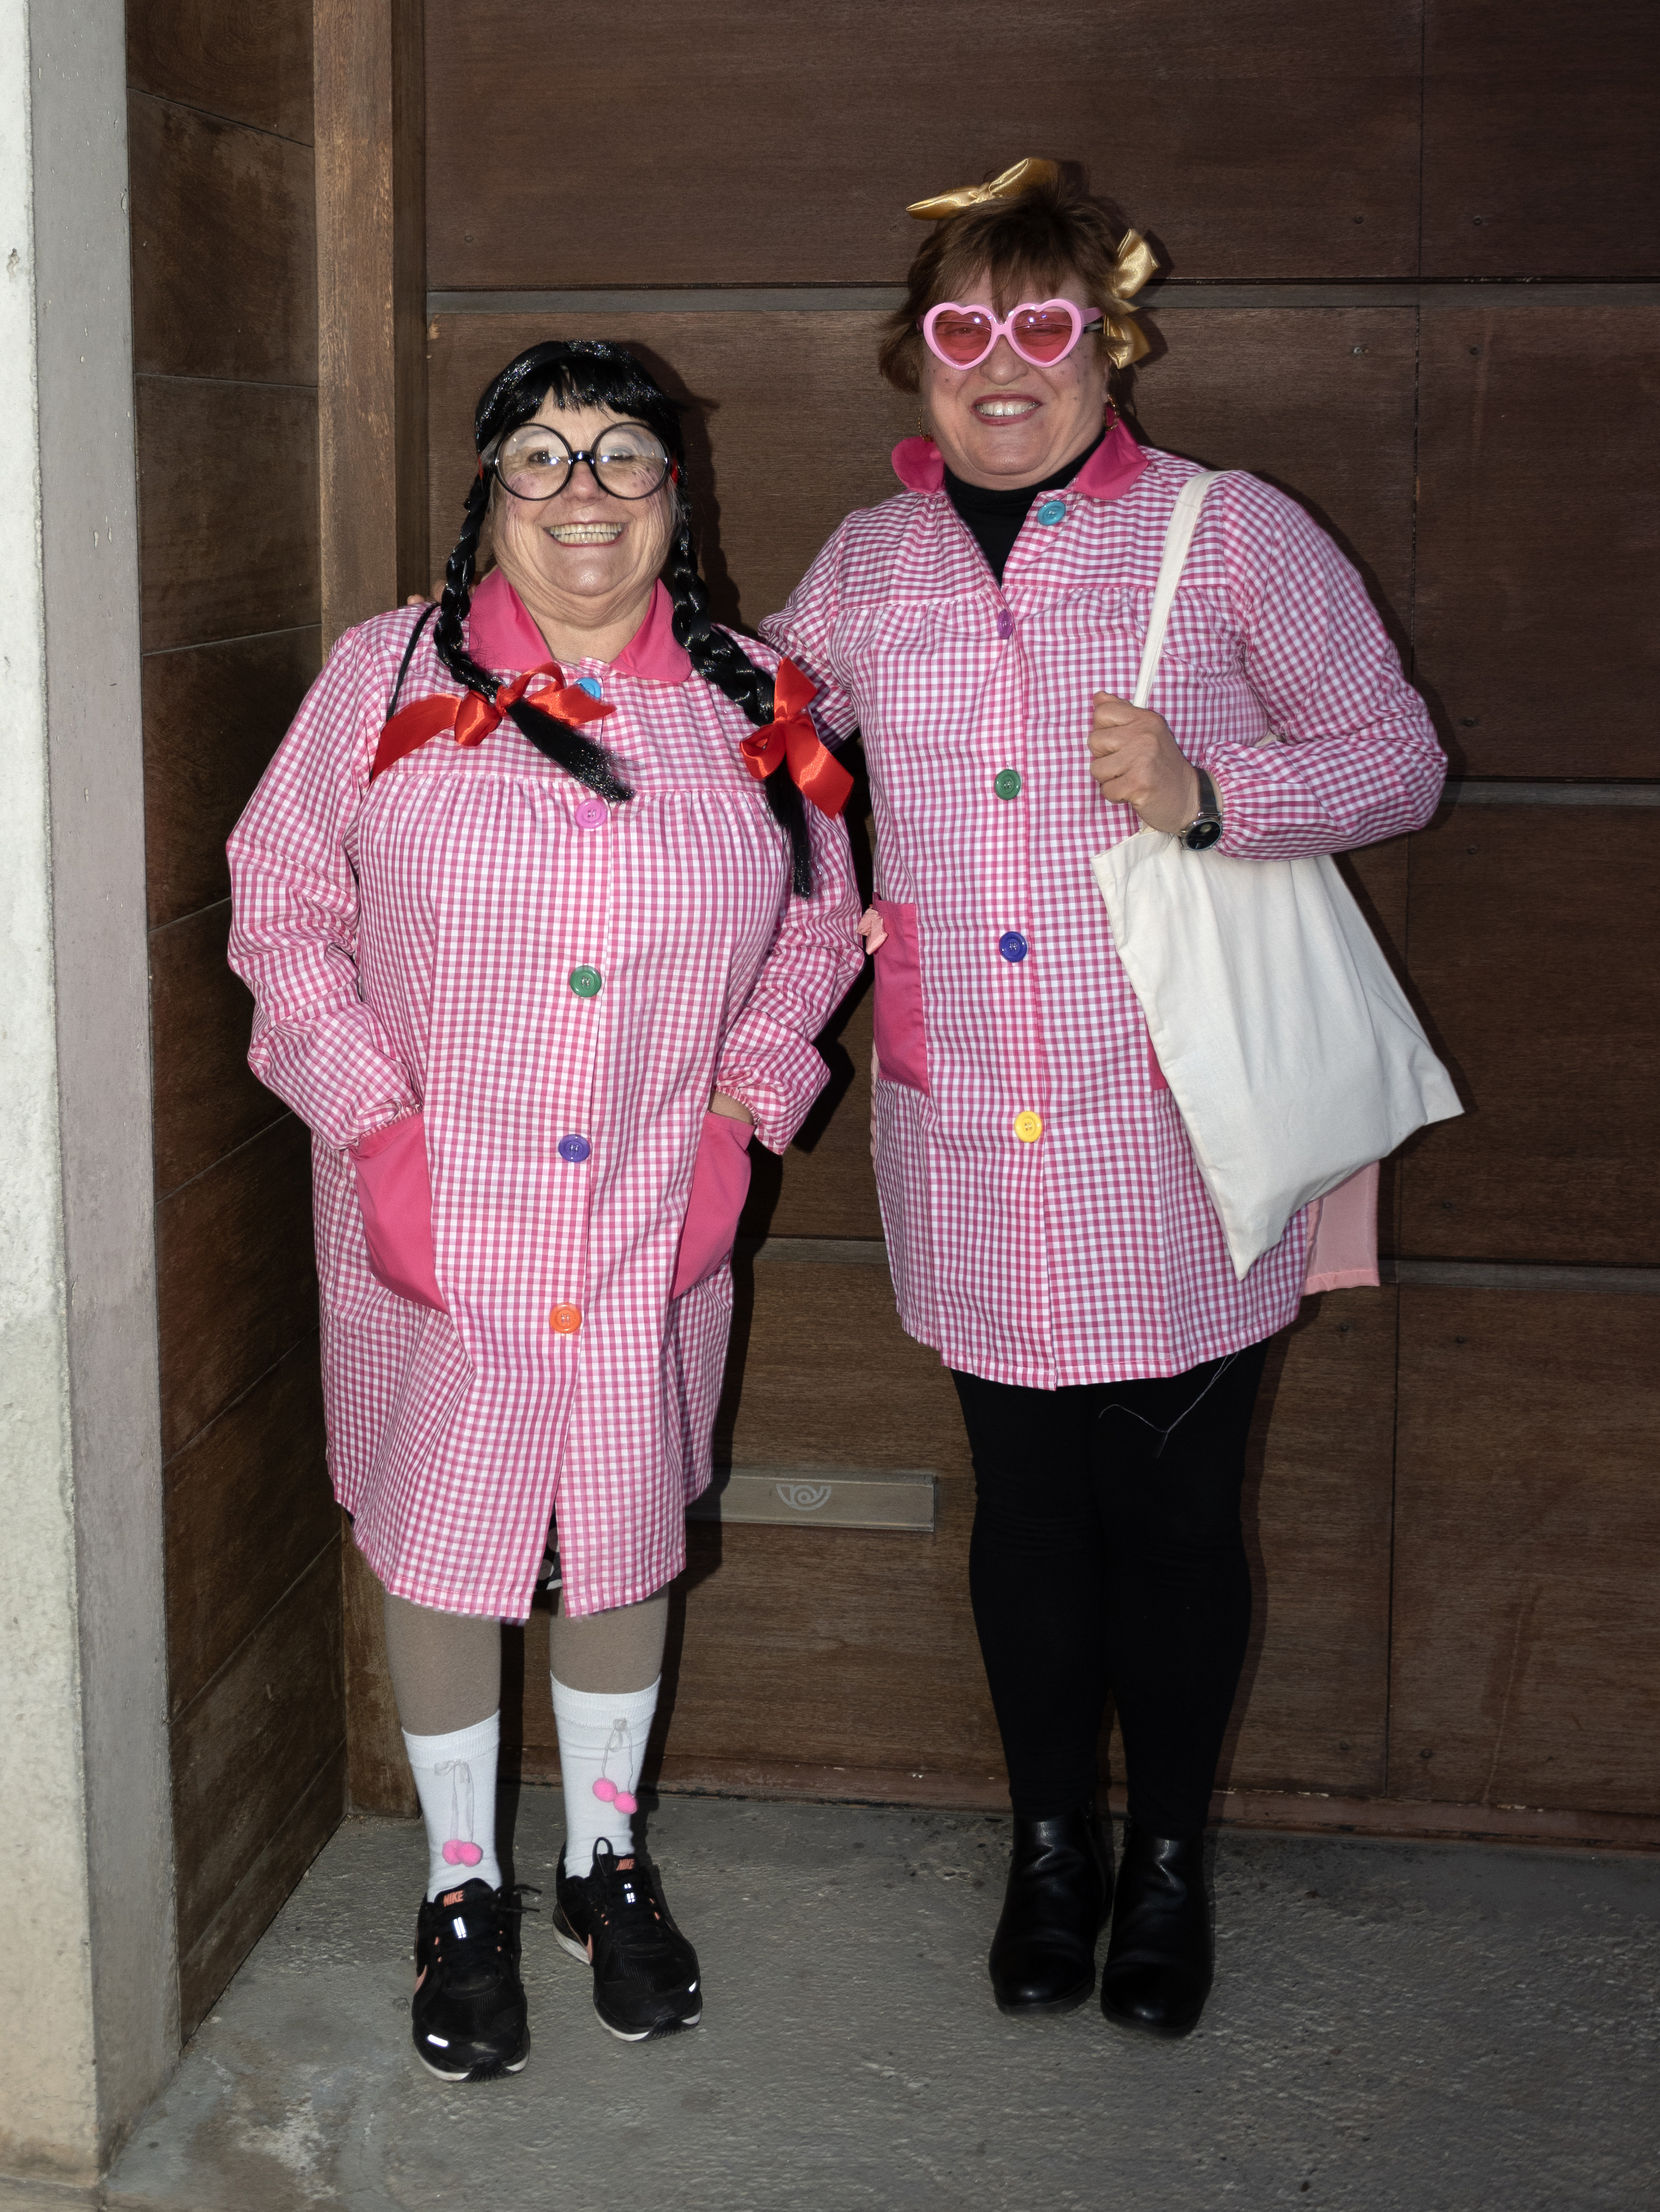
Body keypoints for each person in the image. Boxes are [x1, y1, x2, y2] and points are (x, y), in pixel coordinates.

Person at [760, 160, 1446, 2039]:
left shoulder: (1230, 535)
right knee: (1027, 1514)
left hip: (1171, 1130)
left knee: (1175, 1514)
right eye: (964, 326)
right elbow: (765, 751)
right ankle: (1051, 1850)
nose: (1005, 363)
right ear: (918, 357)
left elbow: (1396, 757)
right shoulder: (870, 563)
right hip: (967, 1124)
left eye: (1045, 323)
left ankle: (1170, 1867)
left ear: (1109, 344)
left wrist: (1212, 790)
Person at [227, 341, 861, 2077]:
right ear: (489, 493)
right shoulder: (384, 674)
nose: (585, 495)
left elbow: (820, 927)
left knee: (621, 1527)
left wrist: (743, 1117)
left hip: (657, 1204)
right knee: (443, 1535)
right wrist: (378, 1130)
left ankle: (602, 1861)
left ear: (676, 491)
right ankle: (460, 1885)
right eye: (542, 458)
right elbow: (279, 906)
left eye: (623, 455)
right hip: (437, 1208)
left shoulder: (763, 698)